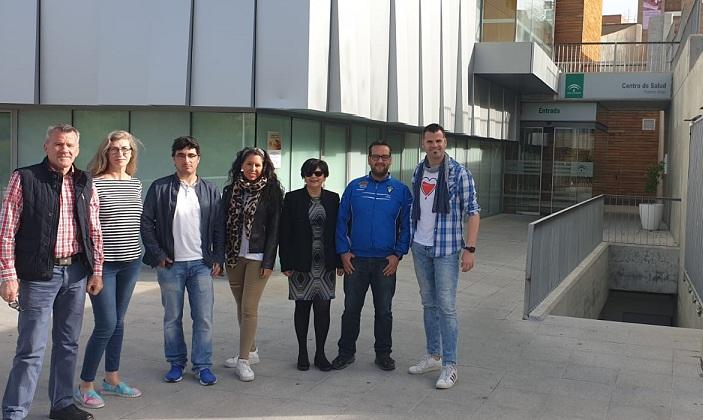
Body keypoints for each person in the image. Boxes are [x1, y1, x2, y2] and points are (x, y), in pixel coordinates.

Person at [0, 123, 104, 420]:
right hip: (38, 277)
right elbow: (7, 232)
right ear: (47, 147)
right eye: (58, 144)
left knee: (68, 344)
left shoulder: (86, 181)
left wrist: (97, 271)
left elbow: (95, 231)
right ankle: (14, 412)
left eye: (70, 145)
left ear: (78, 149)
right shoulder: (24, 178)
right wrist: (8, 276)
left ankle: (61, 405)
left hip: (76, 275)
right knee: (31, 348)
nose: (65, 150)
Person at [140, 136, 223, 386]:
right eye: (181, 155)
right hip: (171, 265)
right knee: (172, 318)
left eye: (191, 155)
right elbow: (146, 223)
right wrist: (157, 255)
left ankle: (202, 365)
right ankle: (176, 363)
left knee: (203, 318)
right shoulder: (160, 187)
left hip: (201, 264)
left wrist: (218, 257)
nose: (186, 160)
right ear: (173, 158)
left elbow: (219, 227)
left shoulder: (210, 190)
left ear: (198, 158)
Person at [74, 131, 143, 409]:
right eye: (114, 149)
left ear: (131, 154)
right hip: (104, 266)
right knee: (105, 324)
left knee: (119, 322)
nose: (120, 154)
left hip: (132, 262)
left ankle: (112, 379)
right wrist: (95, 270)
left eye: (125, 149)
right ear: (106, 153)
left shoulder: (136, 185)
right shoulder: (94, 184)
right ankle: (85, 385)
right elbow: (89, 230)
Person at [408, 123, 480, 389]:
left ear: (445, 142)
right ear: (423, 144)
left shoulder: (459, 173)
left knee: (447, 307)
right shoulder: (418, 170)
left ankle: (450, 364)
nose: (434, 146)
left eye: (438, 141)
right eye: (429, 142)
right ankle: (433, 355)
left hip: (447, 249)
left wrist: (469, 249)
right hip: (420, 246)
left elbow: (473, 211)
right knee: (428, 303)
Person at [331, 141, 412, 372]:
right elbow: (341, 221)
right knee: (351, 310)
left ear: (390, 160)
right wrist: (343, 252)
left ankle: (383, 354)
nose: (380, 161)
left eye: (385, 157)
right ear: (369, 159)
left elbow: (406, 227)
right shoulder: (355, 187)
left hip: (386, 263)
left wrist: (398, 255)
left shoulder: (400, 191)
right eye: (376, 156)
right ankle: (346, 353)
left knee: (384, 311)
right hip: (355, 261)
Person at [221, 147, 282, 382]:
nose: (253, 169)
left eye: (257, 165)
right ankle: (252, 351)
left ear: (264, 167)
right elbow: (222, 225)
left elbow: (275, 230)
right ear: (241, 165)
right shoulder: (230, 191)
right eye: (249, 164)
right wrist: (220, 256)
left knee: (249, 307)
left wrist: (269, 260)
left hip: (258, 258)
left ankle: (243, 360)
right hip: (234, 257)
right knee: (240, 306)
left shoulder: (272, 193)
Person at [279, 159, 344, 372]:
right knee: (302, 307)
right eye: (309, 173)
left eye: (318, 173)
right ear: (303, 176)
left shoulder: (333, 199)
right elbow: (285, 232)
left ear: (325, 176)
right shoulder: (292, 198)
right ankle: (302, 353)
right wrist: (286, 262)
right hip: (300, 263)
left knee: (323, 309)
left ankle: (320, 354)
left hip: (325, 264)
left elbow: (339, 230)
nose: (313, 176)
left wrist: (340, 260)